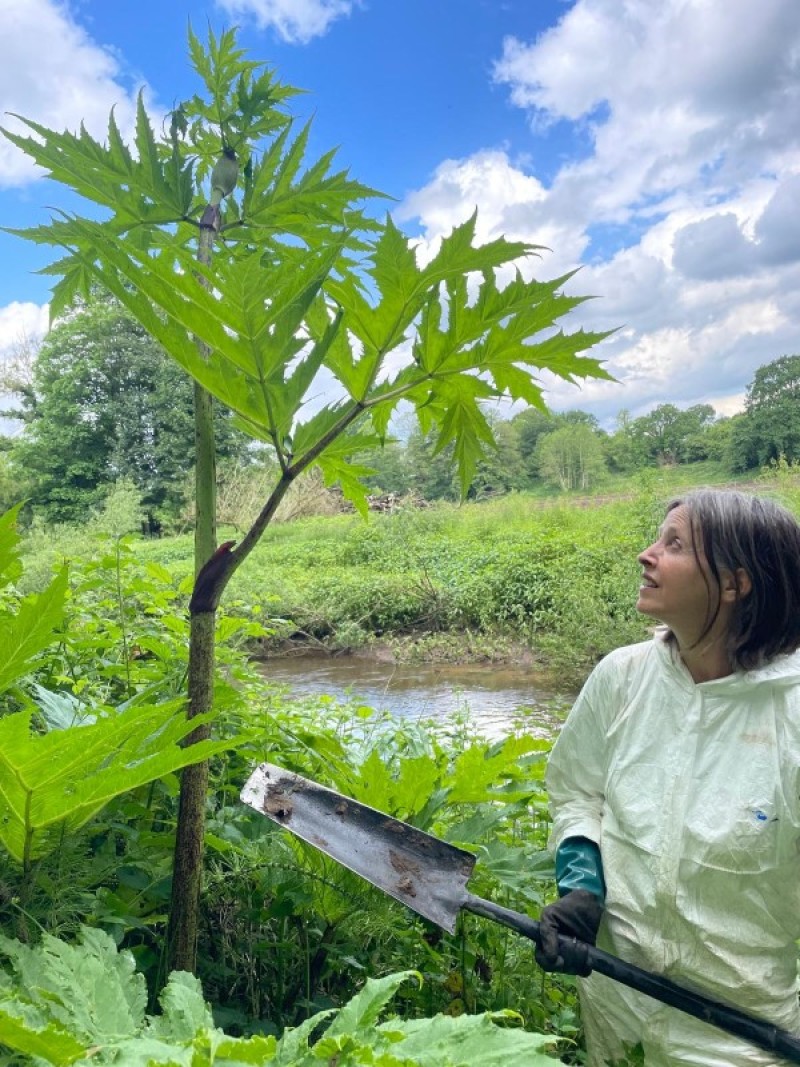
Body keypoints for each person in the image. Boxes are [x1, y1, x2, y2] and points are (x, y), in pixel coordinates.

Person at [536, 489, 800, 1066]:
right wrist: (582, 883)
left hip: (740, 1039)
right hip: (616, 1000)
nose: (646, 554)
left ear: (735, 583)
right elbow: (580, 790)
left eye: (673, 544)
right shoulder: (622, 679)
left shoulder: (792, 713)